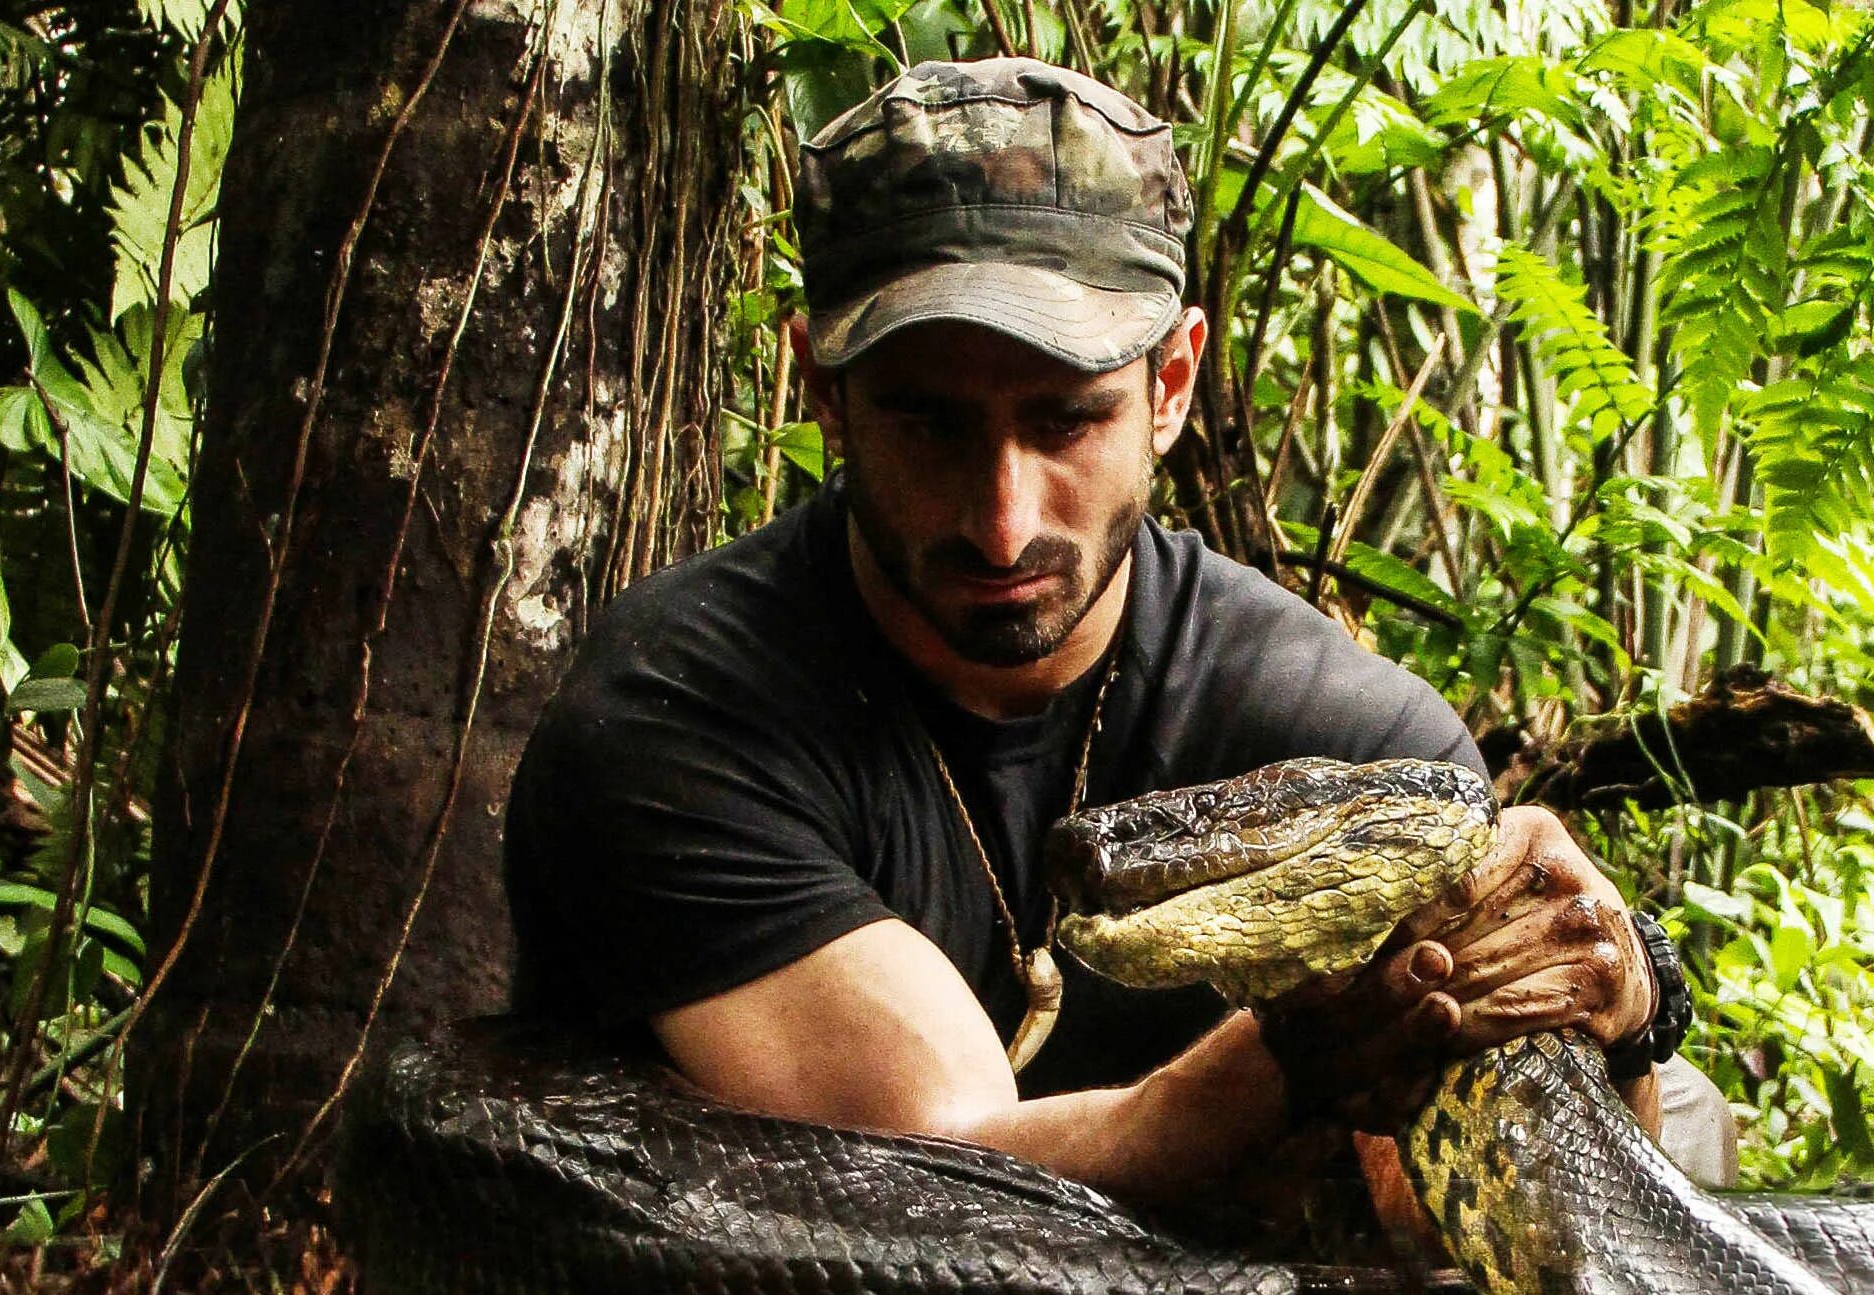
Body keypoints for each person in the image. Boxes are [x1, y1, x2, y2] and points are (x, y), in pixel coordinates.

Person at [505, 56, 1712, 1206]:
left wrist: (1614, 1007)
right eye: (930, 426)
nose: (1001, 519)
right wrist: (1295, 1056)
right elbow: (943, 1178)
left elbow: (1475, 1234)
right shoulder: (671, 715)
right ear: (824, 390)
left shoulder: (1350, 743)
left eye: (1067, 420)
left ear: (1171, 386)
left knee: (1693, 1120)